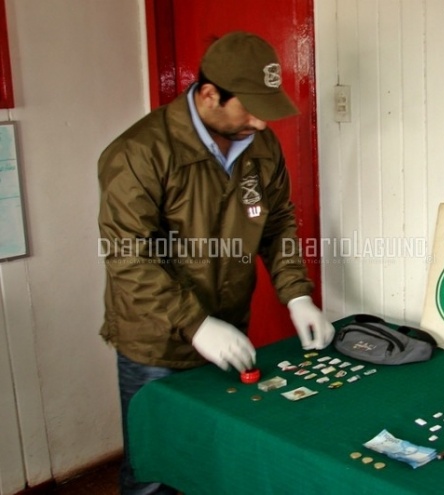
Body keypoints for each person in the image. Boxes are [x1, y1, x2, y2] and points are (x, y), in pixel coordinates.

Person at [97, 31, 334, 495]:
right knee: (157, 463)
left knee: (213, 456)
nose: (261, 124)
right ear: (208, 95)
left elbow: (278, 223)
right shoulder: (138, 153)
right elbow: (130, 258)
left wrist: (297, 293)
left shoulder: (260, 147)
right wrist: (196, 324)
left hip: (227, 324)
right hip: (157, 341)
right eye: (248, 108)